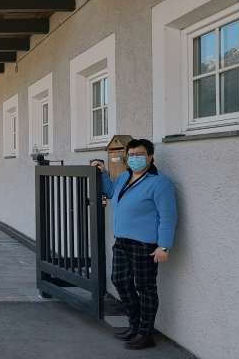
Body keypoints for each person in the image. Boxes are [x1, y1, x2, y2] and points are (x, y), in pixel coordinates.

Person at [91, 138, 177, 350]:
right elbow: (111, 193)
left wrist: (163, 246)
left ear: (150, 157)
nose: (135, 159)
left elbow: (168, 216)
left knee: (145, 288)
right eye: (132, 155)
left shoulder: (159, 183)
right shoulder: (124, 177)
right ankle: (135, 324)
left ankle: (145, 334)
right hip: (122, 241)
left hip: (145, 245)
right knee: (119, 280)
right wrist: (102, 173)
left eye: (140, 155)